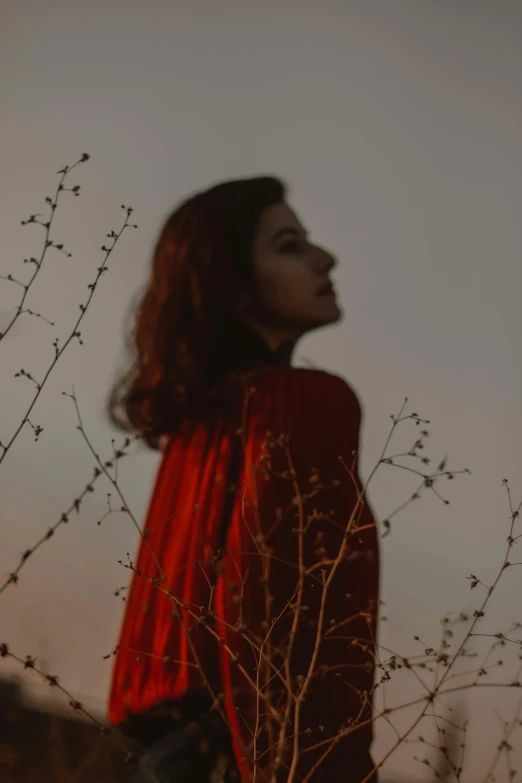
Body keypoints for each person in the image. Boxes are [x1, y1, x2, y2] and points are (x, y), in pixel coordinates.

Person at [106, 176, 380, 783]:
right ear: (232, 285)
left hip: (160, 760)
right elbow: (293, 636)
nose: (324, 257)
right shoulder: (305, 402)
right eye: (288, 245)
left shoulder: (197, 429)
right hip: (247, 760)